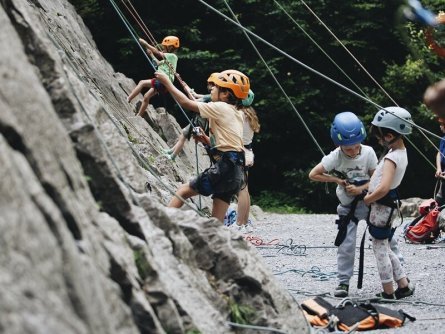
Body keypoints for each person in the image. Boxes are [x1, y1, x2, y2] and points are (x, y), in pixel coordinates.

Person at [155, 69, 249, 222]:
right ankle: (216, 243)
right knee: (216, 222)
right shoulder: (237, 112)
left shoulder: (220, 107)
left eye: (216, 87)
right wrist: (205, 139)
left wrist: (167, 83)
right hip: (236, 170)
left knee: (182, 191)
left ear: (225, 94)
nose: (211, 88)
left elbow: (186, 103)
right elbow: (227, 144)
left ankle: (160, 226)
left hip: (225, 166)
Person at [309, 111, 378, 297]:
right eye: (348, 149)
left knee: (384, 240)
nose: (353, 151)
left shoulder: (369, 152)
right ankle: (343, 283)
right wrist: (336, 180)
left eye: (356, 147)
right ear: (339, 144)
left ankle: (398, 277)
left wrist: (361, 188)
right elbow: (313, 174)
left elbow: (378, 180)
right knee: (346, 245)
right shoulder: (336, 156)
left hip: (370, 203)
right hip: (348, 207)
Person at [363, 106, 415, 299]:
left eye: (379, 136)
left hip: (381, 206)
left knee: (379, 250)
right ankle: (403, 285)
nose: (378, 140)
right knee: (383, 245)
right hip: (387, 206)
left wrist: (368, 198)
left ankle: (388, 291)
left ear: (390, 135)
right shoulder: (401, 152)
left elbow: (384, 187)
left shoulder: (392, 158)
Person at [161, 73, 219, 161]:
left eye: (210, 84)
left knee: (184, 134)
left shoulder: (211, 97)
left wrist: (187, 91)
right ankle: (171, 152)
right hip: (200, 119)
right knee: (184, 133)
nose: (209, 86)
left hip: (201, 121)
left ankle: (173, 156)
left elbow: (193, 100)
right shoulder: (211, 96)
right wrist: (185, 86)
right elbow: (195, 95)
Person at [229, 90, 260, 233]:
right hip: (248, 152)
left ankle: (239, 223)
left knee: (241, 189)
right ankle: (245, 222)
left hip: (240, 152)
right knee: (245, 189)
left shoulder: (240, 114)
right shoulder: (250, 113)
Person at [127, 36, 180, 117]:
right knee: (146, 96)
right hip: (164, 84)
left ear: (170, 47)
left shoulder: (172, 56)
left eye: (164, 47)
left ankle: (128, 99)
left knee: (142, 83)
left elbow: (157, 52)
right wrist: (151, 55)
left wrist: (145, 44)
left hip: (163, 82)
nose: (162, 48)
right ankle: (139, 116)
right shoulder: (167, 59)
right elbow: (158, 63)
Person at [434, 118, 445, 205]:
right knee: (438, 203)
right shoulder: (443, 139)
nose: (440, 126)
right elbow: (439, 153)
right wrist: (439, 168)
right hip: (443, 176)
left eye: (442, 125)